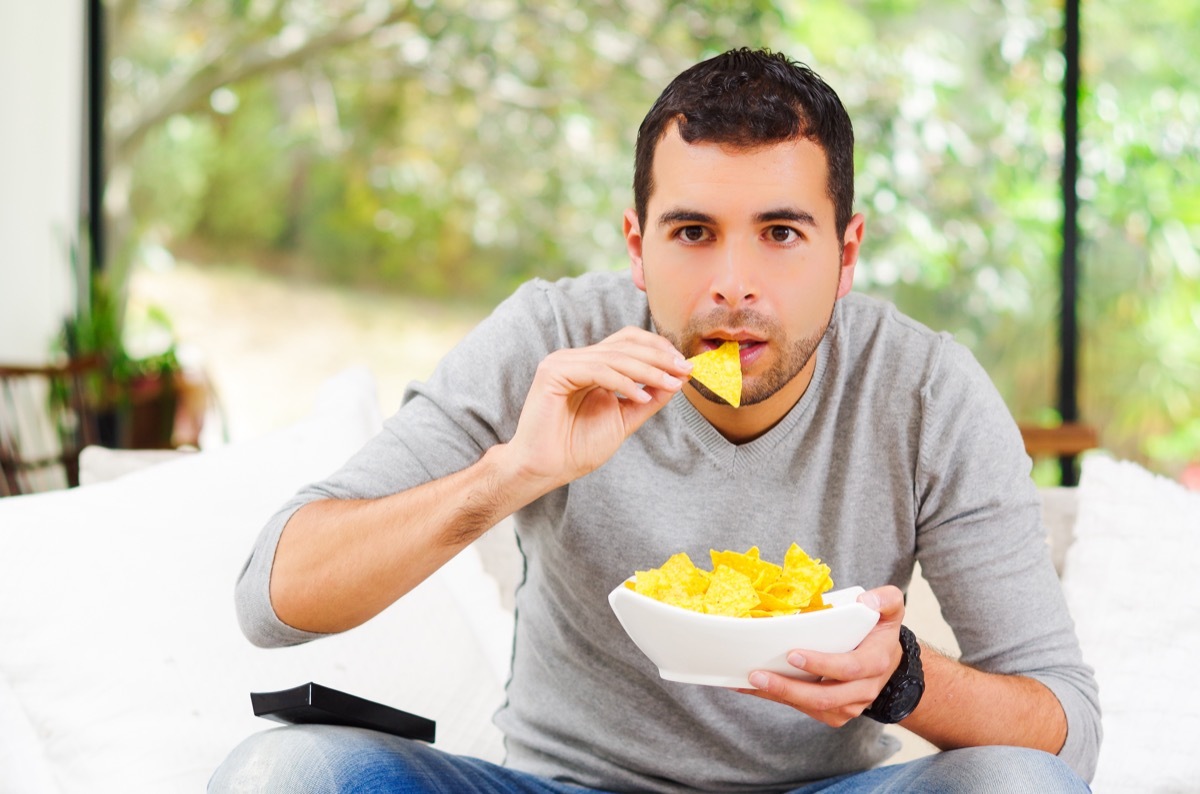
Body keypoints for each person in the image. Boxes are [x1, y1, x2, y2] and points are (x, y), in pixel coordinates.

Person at [211, 47, 1100, 792]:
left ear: (847, 252)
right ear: (638, 248)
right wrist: (512, 472)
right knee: (282, 773)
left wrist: (901, 677)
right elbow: (272, 600)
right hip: (565, 787)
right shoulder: (552, 341)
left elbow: (1068, 733)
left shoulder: (926, 391)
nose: (734, 287)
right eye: (693, 233)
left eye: (781, 234)